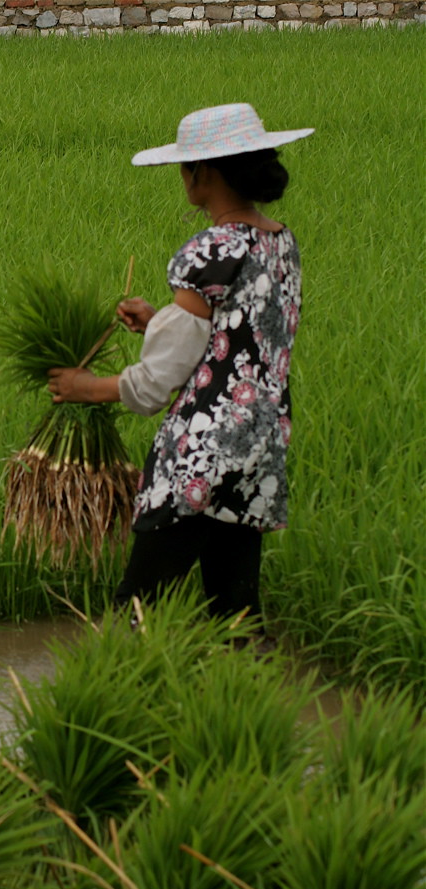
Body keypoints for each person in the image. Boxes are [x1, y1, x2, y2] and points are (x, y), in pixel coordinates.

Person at [47, 103, 314, 636]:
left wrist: (88, 388)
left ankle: (109, 702)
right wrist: (156, 322)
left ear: (205, 173)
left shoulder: (209, 250)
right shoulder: (279, 243)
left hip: (201, 453)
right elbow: (238, 339)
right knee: (234, 615)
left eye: (185, 167)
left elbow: (156, 383)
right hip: (258, 450)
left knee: (137, 609)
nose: (182, 178)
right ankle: (243, 707)